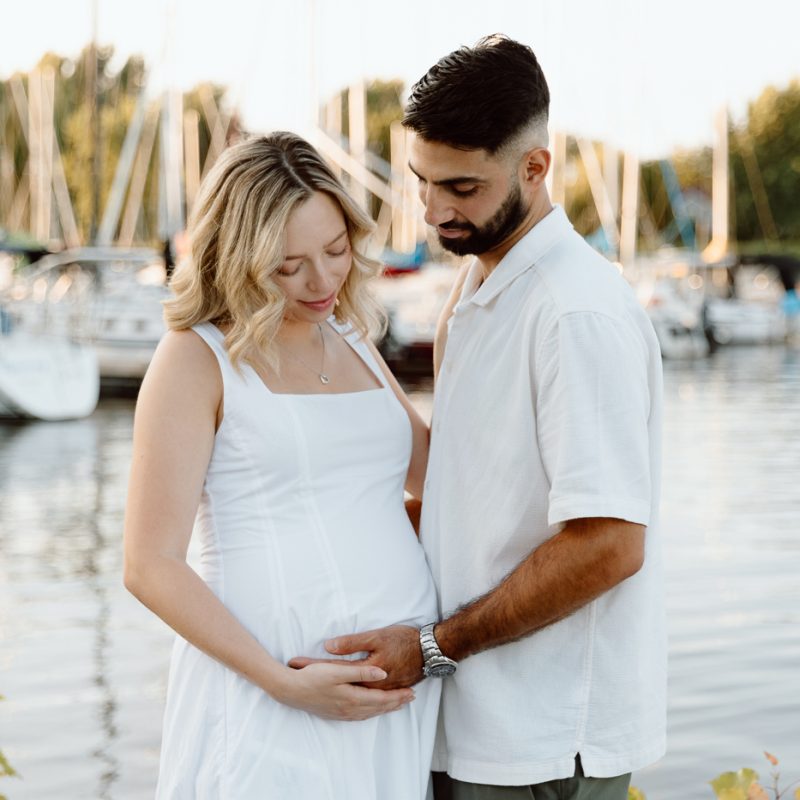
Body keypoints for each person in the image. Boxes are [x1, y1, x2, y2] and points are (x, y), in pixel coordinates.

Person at [289, 35, 666, 800]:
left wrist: (430, 646)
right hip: (469, 728)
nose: (433, 211)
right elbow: (469, 495)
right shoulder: (477, 289)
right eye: (423, 182)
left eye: (460, 187)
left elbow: (611, 544)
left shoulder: (575, 312)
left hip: (547, 747)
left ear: (535, 167)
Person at [123, 132, 441, 799]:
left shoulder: (352, 336)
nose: (323, 281)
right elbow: (150, 565)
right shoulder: (195, 358)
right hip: (267, 696)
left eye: (335, 250)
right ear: (238, 257)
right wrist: (285, 683)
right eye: (289, 265)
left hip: (388, 700)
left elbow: (432, 479)